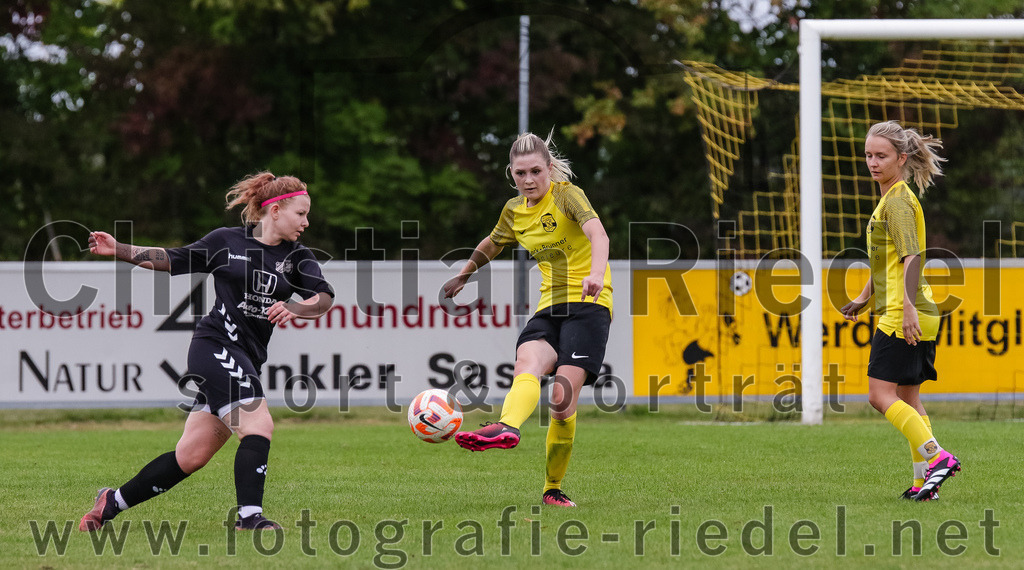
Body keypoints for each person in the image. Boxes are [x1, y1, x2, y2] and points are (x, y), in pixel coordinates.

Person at [79, 172, 334, 531]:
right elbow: (172, 259)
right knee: (258, 423)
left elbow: (324, 297)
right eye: (301, 214)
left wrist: (297, 307)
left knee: (191, 456)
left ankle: (111, 501)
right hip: (214, 345)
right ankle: (250, 517)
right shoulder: (226, 241)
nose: (306, 222)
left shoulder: (298, 257)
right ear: (275, 210)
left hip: (247, 358)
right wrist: (119, 249)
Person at [443, 131, 612, 508]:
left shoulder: (567, 196)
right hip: (549, 305)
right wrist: (465, 274)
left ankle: (553, 488)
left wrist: (596, 274)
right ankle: (506, 427)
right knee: (527, 363)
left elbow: (598, 234)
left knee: (561, 399)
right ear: (511, 174)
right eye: (521, 173)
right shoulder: (514, 210)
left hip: (589, 303)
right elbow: (493, 242)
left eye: (536, 171)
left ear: (549, 168)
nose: (529, 180)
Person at [840, 121, 960, 501]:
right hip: (915, 308)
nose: (873, 163)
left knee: (879, 395)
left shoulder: (896, 201)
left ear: (902, 158)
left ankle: (938, 457)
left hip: (904, 311)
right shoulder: (891, 198)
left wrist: (906, 308)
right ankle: (925, 483)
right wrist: (863, 297)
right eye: (868, 155)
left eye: (881, 156)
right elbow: (886, 261)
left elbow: (912, 257)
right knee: (908, 399)